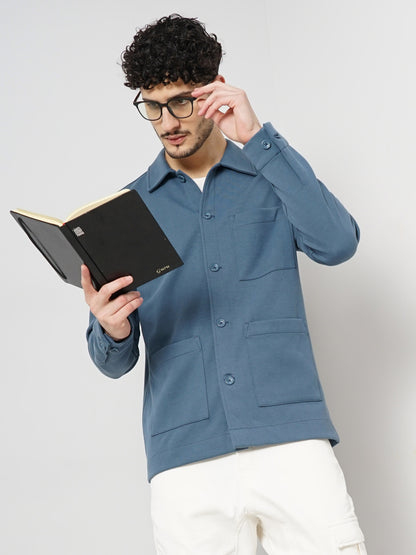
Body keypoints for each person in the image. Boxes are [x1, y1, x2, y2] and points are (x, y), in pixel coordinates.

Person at [81, 14, 367, 555]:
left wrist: (258, 139)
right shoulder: (127, 211)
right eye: (152, 106)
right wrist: (110, 330)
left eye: (181, 102)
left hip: (290, 437)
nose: (167, 122)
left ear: (214, 91)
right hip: (185, 456)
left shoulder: (271, 175)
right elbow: (113, 362)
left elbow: (337, 244)